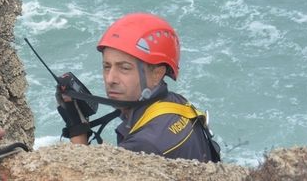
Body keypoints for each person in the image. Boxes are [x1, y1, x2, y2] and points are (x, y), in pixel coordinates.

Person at [58, 12, 219, 162]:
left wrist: (77, 132)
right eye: (107, 66)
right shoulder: (177, 103)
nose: (110, 79)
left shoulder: (143, 146)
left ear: (157, 74)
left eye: (124, 68)